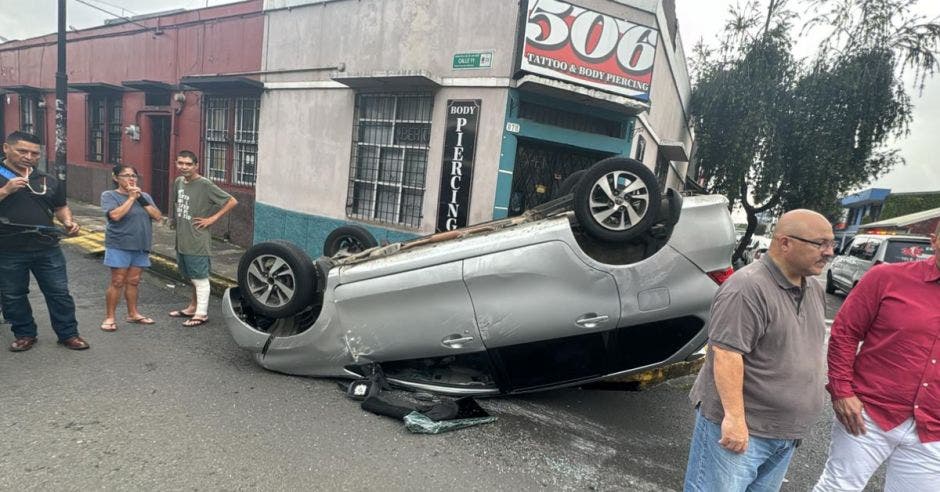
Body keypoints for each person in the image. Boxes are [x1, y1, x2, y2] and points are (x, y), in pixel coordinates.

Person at [684, 209, 836, 491]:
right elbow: (727, 354)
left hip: (784, 432)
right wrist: (734, 419)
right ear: (785, 243)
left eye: (831, 243)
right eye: (820, 243)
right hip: (743, 430)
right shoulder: (747, 288)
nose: (829, 252)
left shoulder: (812, 288)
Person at [813, 225, 940, 491]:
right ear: (934, 240)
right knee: (838, 487)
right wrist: (841, 391)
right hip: (868, 412)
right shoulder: (886, 278)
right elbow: (846, 332)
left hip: (932, 428)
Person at [0, 131, 87, 351]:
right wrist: (5, 190)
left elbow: (60, 206)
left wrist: (68, 222)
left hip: (47, 246)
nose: (29, 156)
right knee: (13, 294)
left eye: (34, 153)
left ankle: (68, 334)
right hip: (9, 249)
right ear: (6, 148)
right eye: (22, 151)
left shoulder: (46, 179)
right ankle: (24, 334)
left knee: (59, 292)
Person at [168, 150, 237, 327]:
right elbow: (176, 203)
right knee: (192, 276)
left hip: (197, 238)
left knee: (200, 278)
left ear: (196, 166)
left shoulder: (205, 184)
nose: (184, 167)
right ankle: (192, 307)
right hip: (182, 237)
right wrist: (173, 221)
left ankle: (201, 313)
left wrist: (212, 218)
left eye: (188, 164)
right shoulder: (179, 182)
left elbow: (231, 201)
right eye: (180, 163)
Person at [100, 165, 163, 332]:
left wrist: (140, 198)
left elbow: (157, 216)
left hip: (141, 244)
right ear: (115, 177)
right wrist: (131, 199)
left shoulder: (145, 196)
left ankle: (133, 313)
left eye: (134, 175)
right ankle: (110, 317)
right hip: (119, 244)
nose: (131, 179)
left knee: (134, 281)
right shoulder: (109, 195)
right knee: (118, 281)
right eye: (126, 175)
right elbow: (115, 215)